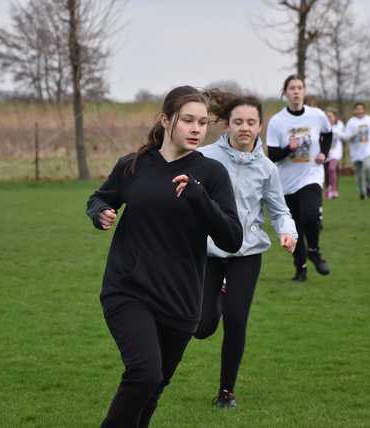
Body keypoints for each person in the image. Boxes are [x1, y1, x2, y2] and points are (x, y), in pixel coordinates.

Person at [86, 86, 243, 428]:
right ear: (165, 120)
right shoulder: (133, 166)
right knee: (143, 374)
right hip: (128, 290)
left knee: (154, 387)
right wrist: (100, 213)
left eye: (202, 122)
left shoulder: (212, 174)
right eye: (187, 120)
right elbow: (99, 199)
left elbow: (232, 239)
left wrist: (200, 199)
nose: (196, 129)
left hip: (181, 299)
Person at [194, 92, 298, 409]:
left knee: (237, 320)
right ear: (227, 125)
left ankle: (226, 391)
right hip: (209, 252)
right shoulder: (205, 158)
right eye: (238, 122)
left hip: (246, 254)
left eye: (251, 122)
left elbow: (279, 210)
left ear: (260, 126)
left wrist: (287, 232)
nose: (244, 128)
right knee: (202, 327)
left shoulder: (267, 168)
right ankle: (217, 297)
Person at [266, 74, 332, 282]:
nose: (296, 91)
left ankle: (314, 250)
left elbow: (328, 134)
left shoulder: (317, 115)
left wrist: (324, 153)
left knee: (311, 216)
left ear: (304, 92)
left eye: (300, 87)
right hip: (286, 183)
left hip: (311, 176)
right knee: (293, 230)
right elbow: (273, 155)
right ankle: (300, 268)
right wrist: (289, 148)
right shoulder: (277, 121)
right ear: (285, 93)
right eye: (292, 88)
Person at [341, 102, 370, 200]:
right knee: (359, 173)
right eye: (357, 109)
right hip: (356, 151)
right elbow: (345, 136)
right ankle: (362, 192)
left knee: (368, 167)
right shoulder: (351, 122)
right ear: (354, 111)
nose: (359, 111)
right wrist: (353, 134)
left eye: (361, 109)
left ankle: (369, 185)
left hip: (368, 149)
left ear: (364, 110)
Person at [325, 108, 344, 199]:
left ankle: (334, 190)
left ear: (335, 117)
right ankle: (328, 190)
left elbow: (344, 135)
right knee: (326, 173)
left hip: (336, 152)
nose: (329, 118)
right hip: (325, 153)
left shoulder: (340, 125)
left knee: (331, 169)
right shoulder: (324, 126)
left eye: (330, 116)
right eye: (327, 116)